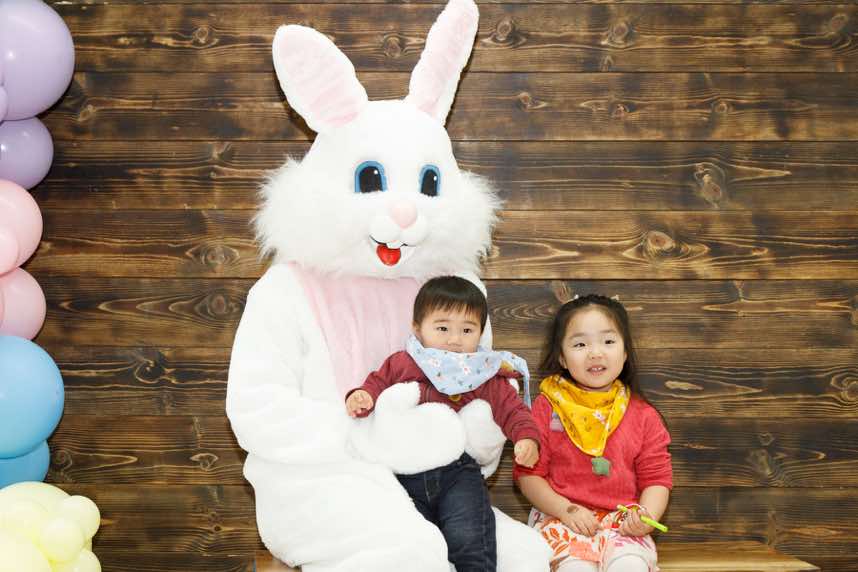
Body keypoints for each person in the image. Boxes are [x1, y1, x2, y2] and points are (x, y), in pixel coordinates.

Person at [345, 275, 540, 571]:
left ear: (481, 333)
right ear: (417, 328)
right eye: (442, 328)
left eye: (467, 330)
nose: (454, 339)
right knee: (412, 544)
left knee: (470, 538)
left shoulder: (482, 372)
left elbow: (513, 409)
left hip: (458, 474)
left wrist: (526, 436)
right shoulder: (403, 362)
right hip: (404, 472)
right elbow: (376, 383)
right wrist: (362, 397)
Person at [515, 295, 672, 572]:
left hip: (622, 524)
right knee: (575, 568)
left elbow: (657, 479)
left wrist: (645, 516)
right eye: (580, 344)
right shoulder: (547, 407)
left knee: (630, 566)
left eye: (608, 341)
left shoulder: (643, 414)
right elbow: (528, 475)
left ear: (625, 352)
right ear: (562, 357)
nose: (595, 353)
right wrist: (565, 509)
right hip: (562, 517)